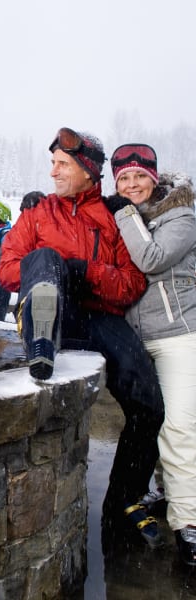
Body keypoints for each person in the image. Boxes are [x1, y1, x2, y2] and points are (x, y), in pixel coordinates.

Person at [0, 127, 165, 550]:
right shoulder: (37, 213)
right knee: (42, 258)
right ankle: (40, 342)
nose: (52, 171)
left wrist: (86, 271)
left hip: (99, 317)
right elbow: (7, 269)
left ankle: (125, 501)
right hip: (53, 316)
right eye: (52, 162)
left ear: (88, 172)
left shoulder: (112, 217)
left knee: (148, 403)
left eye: (62, 164)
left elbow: (131, 283)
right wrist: (51, 269)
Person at [105, 143, 196, 566]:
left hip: (179, 336)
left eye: (139, 176)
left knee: (179, 427)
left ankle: (189, 521)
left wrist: (121, 212)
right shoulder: (133, 220)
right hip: (142, 339)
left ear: (155, 178)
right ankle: (166, 491)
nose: (132, 184)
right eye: (123, 178)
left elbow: (152, 259)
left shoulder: (181, 216)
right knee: (155, 422)